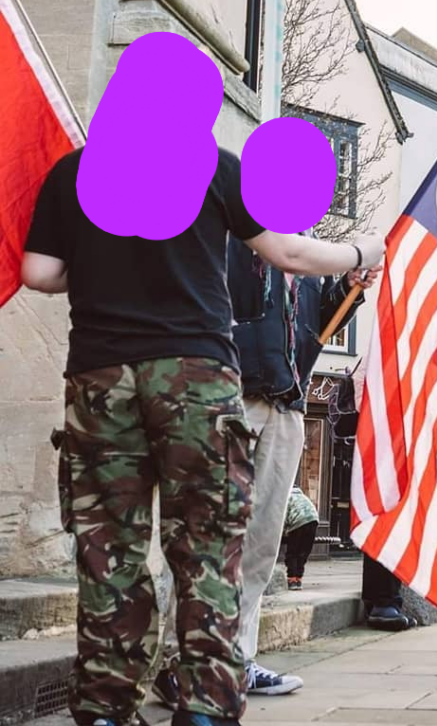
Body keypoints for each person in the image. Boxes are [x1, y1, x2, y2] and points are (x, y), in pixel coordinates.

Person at [21, 144, 383, 726]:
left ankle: (118, 704)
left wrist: (99, 265)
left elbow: (38, 271)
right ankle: (202, 699)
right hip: (203, 382)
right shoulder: (216, 180)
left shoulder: (77, 172)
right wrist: (359, 248)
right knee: (207, 551)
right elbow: (281, 256)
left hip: (128, 378)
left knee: (126, 552)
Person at [151, 239, 379, 704]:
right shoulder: (236, 240)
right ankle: (179, 660)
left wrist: (348, 290)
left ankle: (238, 658)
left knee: (259, 544)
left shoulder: (311, 263)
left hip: (285, 409)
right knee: (207, 537)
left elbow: (313, 328)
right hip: (231, 403)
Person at [326, 367, 416, 632]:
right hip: (382, 449)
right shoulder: (384, 359)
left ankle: (383, 600)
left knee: (387, 523)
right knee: (387, 523)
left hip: (382, 448)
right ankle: (384, 602)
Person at [283, 487, 320, 590]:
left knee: (293, 552)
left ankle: (292, 580)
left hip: (298, 522)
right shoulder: (303, 497)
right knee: (303, 552)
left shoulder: (287, 498)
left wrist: (284, 531)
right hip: (313, 521)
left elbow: (284, 517)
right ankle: (299, 579)